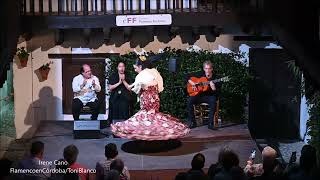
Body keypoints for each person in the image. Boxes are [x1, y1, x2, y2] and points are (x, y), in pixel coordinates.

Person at [111, 56, 190, 140]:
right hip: (155, 99)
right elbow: (159, 88)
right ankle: (155, 137)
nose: (135, 70)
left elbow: (133, 88)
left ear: (140, 67)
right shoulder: (154, 72)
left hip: (147, 99)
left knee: (146, 117)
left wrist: (123, 81)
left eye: (135, 68)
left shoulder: (141, 75)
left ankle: (148, 137)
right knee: (154, 117)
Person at [186, 61, 220, 130]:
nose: (207, 70)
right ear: (204, 69)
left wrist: (213, 88)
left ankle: (210, 124)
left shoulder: (216, 78)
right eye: (206, 68)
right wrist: (193, 83)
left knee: (213, 101)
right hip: (199, 95)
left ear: (212, 69)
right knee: (189, 101)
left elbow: (217, 91)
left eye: (209, 68)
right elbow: (186, 76)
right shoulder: (200, 74)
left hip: (209, 96)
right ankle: (193, 122)